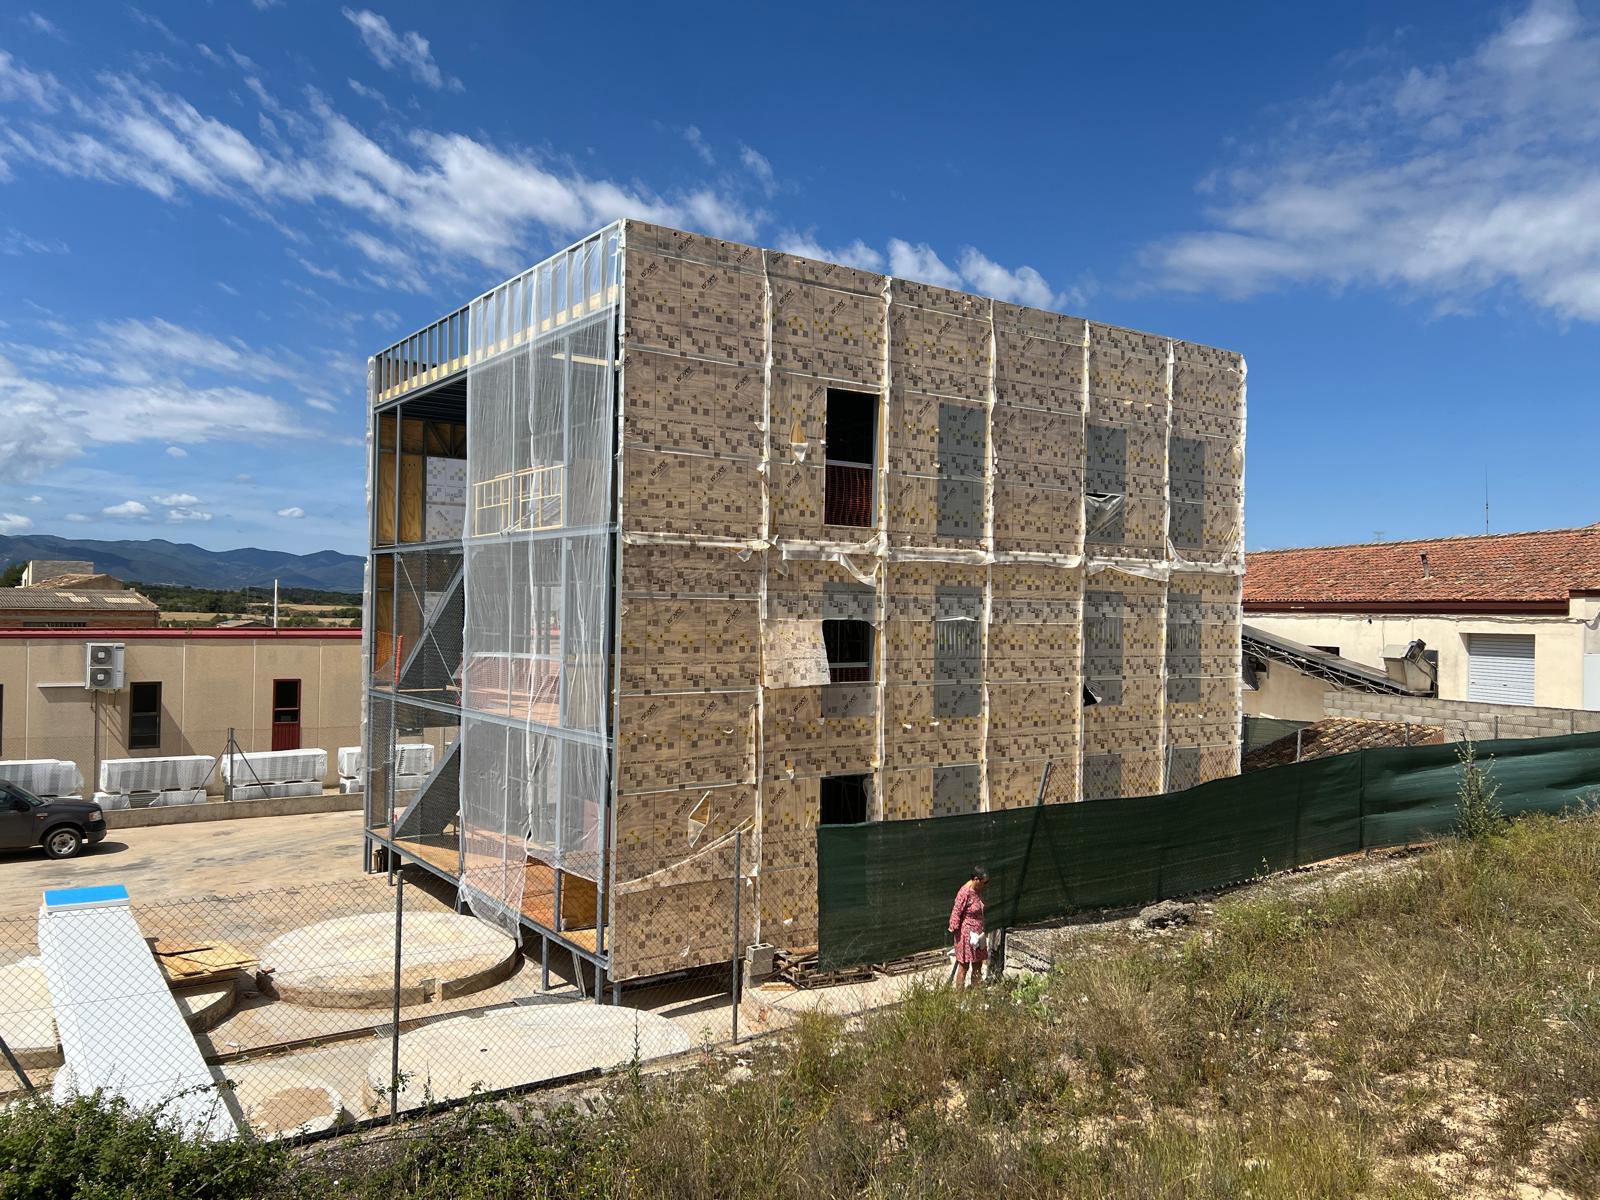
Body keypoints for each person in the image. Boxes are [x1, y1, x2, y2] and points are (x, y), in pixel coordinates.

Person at [948, 867, 989, 989]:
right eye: (984, 882)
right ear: (976, 879)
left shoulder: (977, 890)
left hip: (978, 934)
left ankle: (975, 993)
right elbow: (956, 911)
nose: (985, 885)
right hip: (966, 936)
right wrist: (954, 928)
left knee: (978, 964)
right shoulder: (965, 892)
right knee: (964, 966)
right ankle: (959, 997)